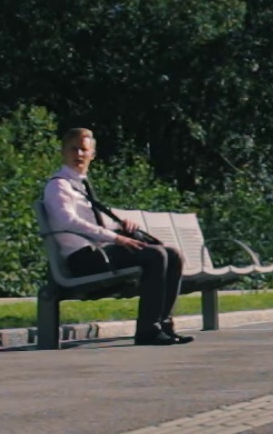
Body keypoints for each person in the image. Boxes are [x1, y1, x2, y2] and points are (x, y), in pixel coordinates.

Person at [43, 127, 191, 346]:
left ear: (92, 155)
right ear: (63, 152)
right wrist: (116, 239)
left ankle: (163, 325)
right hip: (83, 259)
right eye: (73, 149)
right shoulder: (58, 186)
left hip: (98, 253)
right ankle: (147, 330)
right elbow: (68, 221)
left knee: (173, 254)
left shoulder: (80, 186)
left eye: (84, 150)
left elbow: (93, 220)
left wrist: (121, 226)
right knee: (155, 255)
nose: (79, 155)